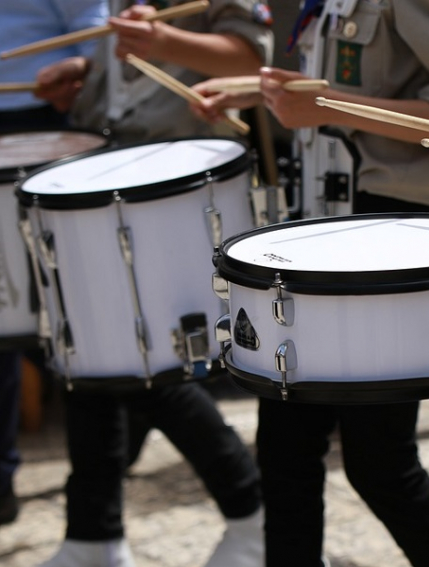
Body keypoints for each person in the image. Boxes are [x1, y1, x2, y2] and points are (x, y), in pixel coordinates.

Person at [192, 1, 429, 565]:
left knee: (379, 460)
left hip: (392, 225)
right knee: (285, 448)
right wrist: (261, 92)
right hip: (325, 216)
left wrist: (323, 106)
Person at [32, 1, 273, 565]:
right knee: (86, 354)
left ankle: (253, 518)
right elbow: (128, 70)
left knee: (154, 364)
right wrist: (89, 76)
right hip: (106, 166)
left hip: (173, 181)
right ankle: (93, 535)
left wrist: (160, 42)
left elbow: (249, 58)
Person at [0, 0, 109, 528]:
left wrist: (84, 69)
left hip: (38, 121)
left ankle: (98, 522)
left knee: (78, 323)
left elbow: (95, 37)